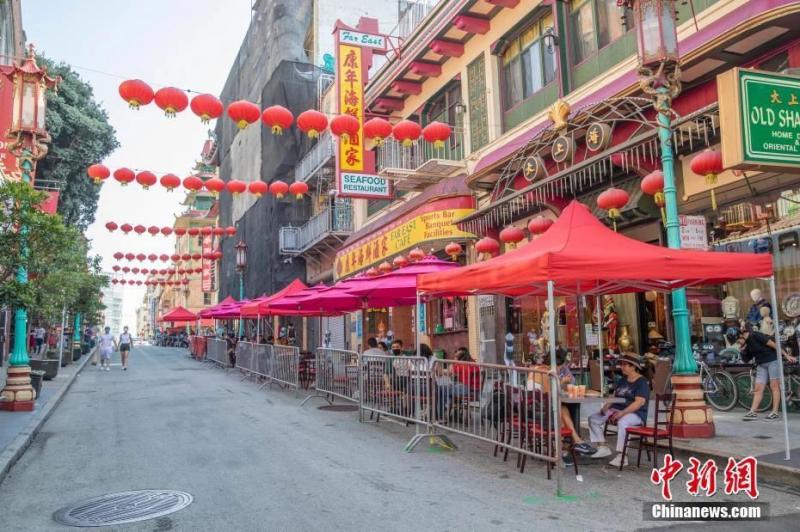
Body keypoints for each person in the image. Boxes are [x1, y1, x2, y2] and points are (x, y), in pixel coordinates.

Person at [587, 353, 650, 467]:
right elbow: (614, 396)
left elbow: (639, 402)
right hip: (616, 409)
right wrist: (606, 406)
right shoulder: (622, 380)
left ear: (633, 366)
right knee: (593, 419)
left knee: (623, 422)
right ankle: (602, 447)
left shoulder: (642, 382)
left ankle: (622, 456)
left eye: (624, 365)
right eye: (621, 364)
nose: (621, 367)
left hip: (635, 413)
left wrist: (622, 413)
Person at [731, 328, 797, 421]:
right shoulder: (746, 344)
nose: (738, 343)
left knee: (774, 386)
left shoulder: (755, 335)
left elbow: (774, 345)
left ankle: (775, 412)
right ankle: (752, 412)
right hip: (761, 364)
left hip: (773, 360)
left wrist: (786, 355)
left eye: (737, 341)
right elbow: (746, 359)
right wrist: (742, 350)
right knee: (758, 388)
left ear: (741, 335)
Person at [553, 349, 596, 462]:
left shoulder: (564, 369)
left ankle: (568, 446)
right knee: (562, 411)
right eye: (561, 364)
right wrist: (562, 381)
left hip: (559, 402)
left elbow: (573, 381)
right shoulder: (547, 371)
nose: (561, 367)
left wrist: (566, 381)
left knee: (565, 410)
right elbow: (550, 388)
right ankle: (575, 442)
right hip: (546, 409)